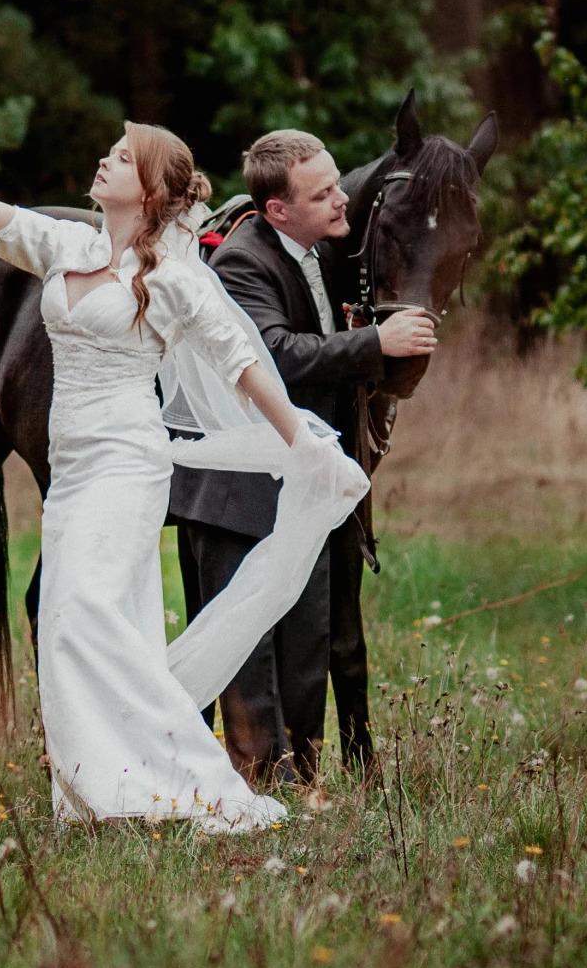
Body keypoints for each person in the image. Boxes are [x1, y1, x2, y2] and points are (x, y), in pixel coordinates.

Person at [0, 96, 368, 830]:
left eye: (120, 156)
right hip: (73, 469)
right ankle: (97, 787)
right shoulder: (66, 248)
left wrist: (298, 439)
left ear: (145, 190)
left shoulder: (174, 276)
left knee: (84, 616)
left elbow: (243, 360)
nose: (104, 158)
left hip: (127, 462)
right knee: (80, 620)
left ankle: (175, 777)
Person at [164, 130, 436, 785]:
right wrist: (376, 341)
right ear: (278, 210)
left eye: (338, 182)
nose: (344, 200)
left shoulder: (323, 250)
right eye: (324, 193)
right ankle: (254, 780)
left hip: (309, 474)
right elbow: (274, 356)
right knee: (258, 641)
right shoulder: (242, 262)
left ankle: (302, 778)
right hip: (249, 486)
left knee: (310, 634)